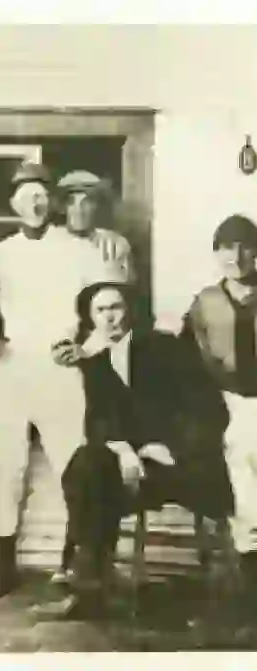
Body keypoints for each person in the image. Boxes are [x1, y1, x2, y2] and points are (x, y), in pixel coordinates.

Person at [0, 163, 126, 598]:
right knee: (8, 468)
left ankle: (72, 565)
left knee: (73, 466)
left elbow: (113, 309)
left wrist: (87, 347)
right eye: (26, 195)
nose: (35, 202)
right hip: (13, 367)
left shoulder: (79, 250)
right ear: (13, 204)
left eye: (42, 194)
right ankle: (4, 566)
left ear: (53, 202)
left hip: (61, 369)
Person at [56, 282, 230, 620]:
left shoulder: (164, 347)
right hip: (134, 470)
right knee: (87, 465)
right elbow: (98, 421)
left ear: (130, 310)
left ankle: (88, 581)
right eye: (100, 311)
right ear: (90, 319)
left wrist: (168, 446)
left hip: (180, 464)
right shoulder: (97, 362)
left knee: (92, 478)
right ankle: (91, 586)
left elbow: (208, 408)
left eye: (116, 307)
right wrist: (122, 449)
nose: (110, 317)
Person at [181, 215, 257, 600]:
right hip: (225, 403)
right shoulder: (205, 303)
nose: (237, 255)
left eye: (245, 246)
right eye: (227, 247)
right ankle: (249, 573)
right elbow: (190, 363)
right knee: (239, 476)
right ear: (216, 254)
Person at [57, 171, 133, 283]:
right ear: (63, 208)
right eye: (71, 203)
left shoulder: (115, 244)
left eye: (86, 203)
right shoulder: (53, 242)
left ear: (96, 205)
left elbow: (127, 289)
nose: (79, 210)